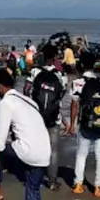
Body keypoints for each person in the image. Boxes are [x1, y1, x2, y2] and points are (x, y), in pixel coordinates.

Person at [0, 69, 50, 200]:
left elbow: (0, 140)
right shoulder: (29, 100)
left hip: (28, 152)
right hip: (45, 153)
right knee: (32, 190)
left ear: (0, 87)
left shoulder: (6, 102)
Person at [68, 70, 100, 197]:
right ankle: (98, 187)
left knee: (82, 154)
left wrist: (72, 124)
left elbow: (74, 105)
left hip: (85, 125)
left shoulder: (77, 83)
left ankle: (78, 184)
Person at [25, 60, 68, 189]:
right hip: (54, 118)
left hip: (36, 116)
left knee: (34, 148)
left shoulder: (35, 71)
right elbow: (61, 95)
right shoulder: (61, 75)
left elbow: (26, 90)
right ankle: (52, 182)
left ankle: (33, 178)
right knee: (53, 150)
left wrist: (30, 106)